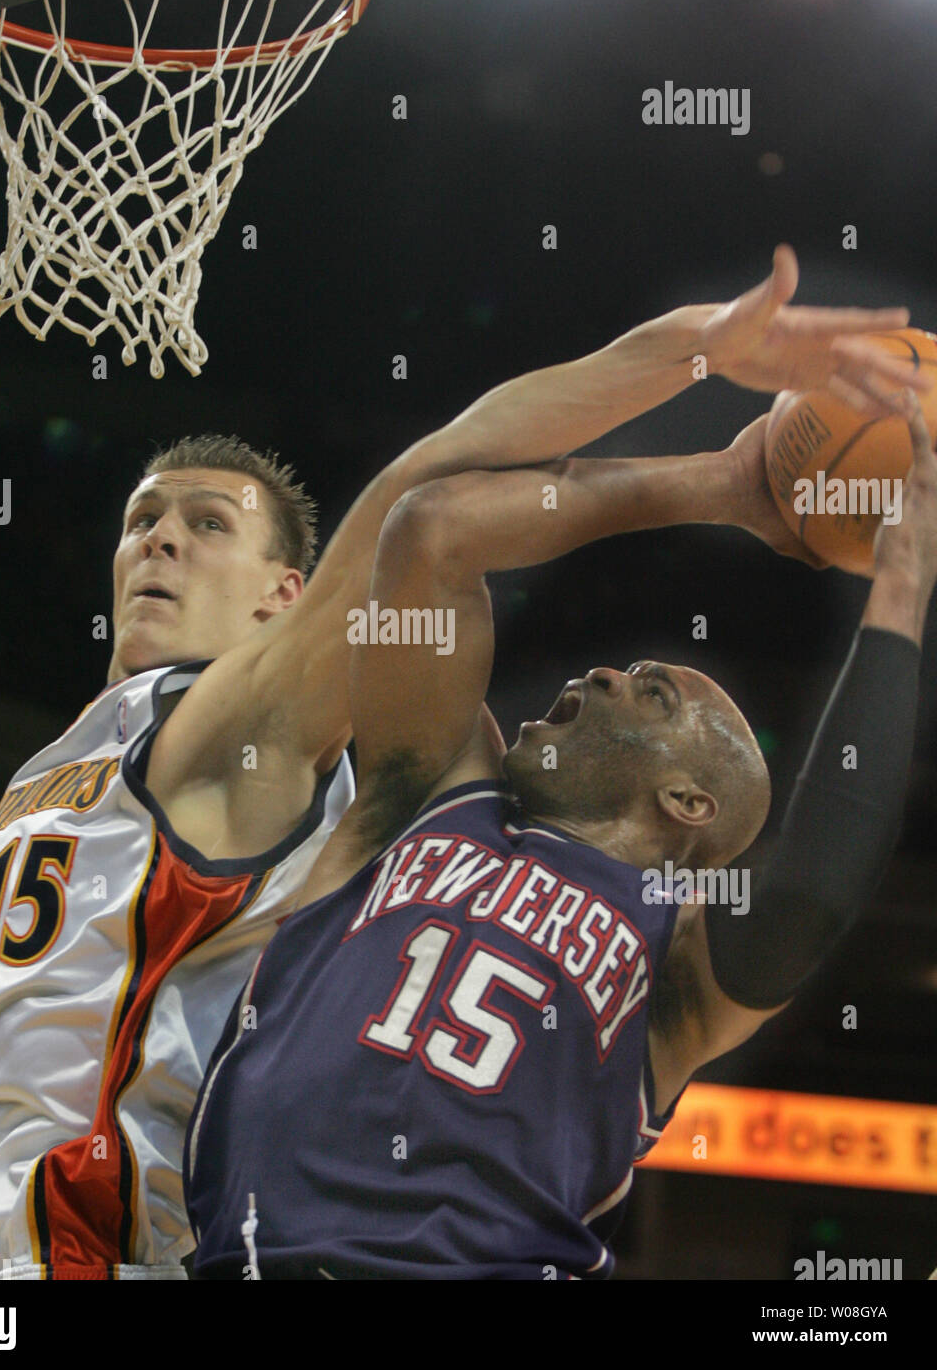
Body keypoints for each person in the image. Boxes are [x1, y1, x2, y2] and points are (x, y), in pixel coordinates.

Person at [0, 248, 921, 1279]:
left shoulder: (297, 754)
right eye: (140, 518)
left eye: (203, 521)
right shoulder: (117, 784)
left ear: (292, 596)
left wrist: (727, 439)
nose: (158, 541)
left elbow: (418, 502)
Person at [184, 387, 936, 1280]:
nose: (609, 672)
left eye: (653, 693)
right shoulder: (427, 791)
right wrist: (722, 484)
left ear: (689, 803)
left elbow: (815, 885)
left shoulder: (677, 954)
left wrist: (900, 587)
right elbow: (430, 533)